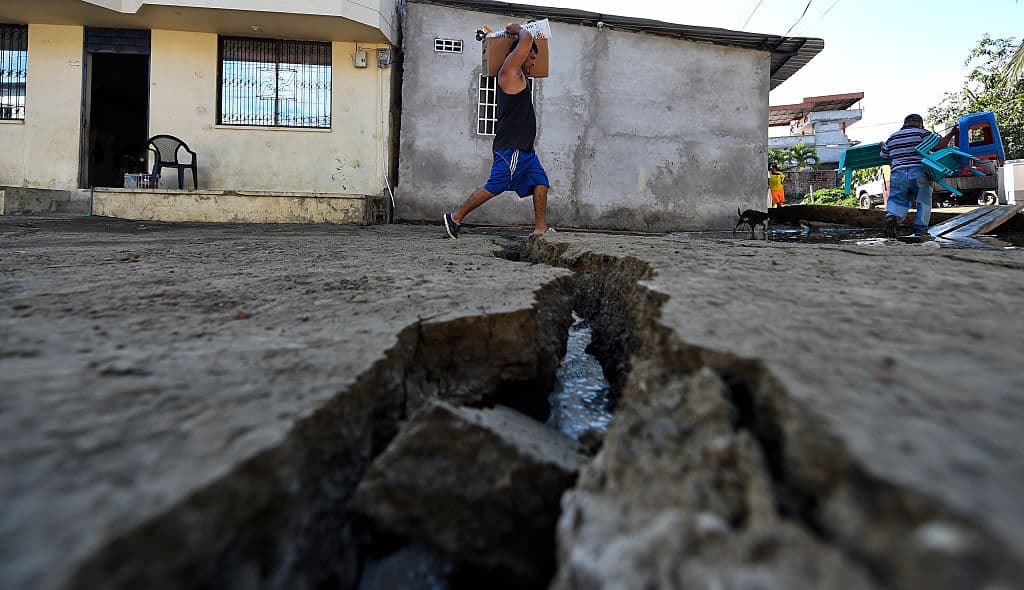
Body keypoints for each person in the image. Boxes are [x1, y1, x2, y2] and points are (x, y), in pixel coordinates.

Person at [443, 23, 550, 239]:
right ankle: (455, 217)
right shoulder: (509, 72)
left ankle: (540, 229)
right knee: (495, 185)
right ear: (519, 54)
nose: (533, 62)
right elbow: (527, 38)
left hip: (525, 150)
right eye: (531, 58)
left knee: (541, 183)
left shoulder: (520, 76)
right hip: (512, 148)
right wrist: (518, 29)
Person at [880, 114, 957, 238]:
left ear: (905, 123)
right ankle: (920, 230)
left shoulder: (892, 137)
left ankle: (892, 217)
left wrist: (882, 146)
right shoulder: (922, 133)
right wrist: (952, 133)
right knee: (923, 201)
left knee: (897, 200)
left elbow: (884, 155)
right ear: (920, 123)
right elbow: (938, 146)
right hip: (919, 171)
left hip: (897, 173)